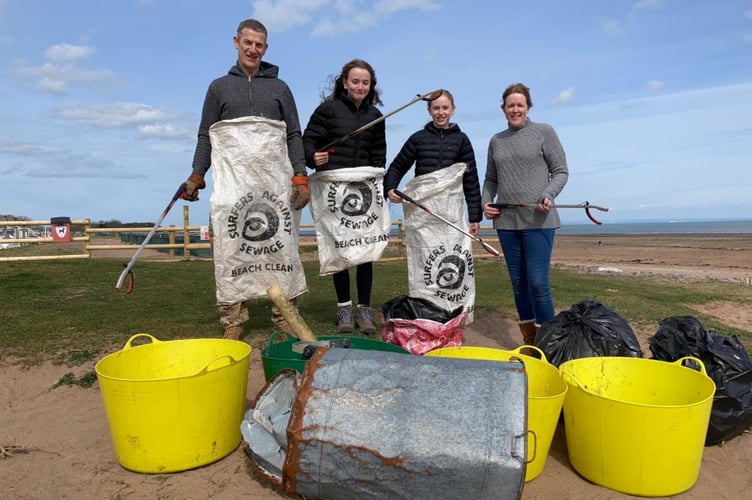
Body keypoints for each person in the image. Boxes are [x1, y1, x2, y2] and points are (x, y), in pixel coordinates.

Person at [181, 19, 310, 340]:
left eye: (260, 45)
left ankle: (285, 316)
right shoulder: (218, 88)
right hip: (232, 185)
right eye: (248, 43)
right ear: (236, 42)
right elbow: (206, 134)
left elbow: (294, 134)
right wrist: (198, 173)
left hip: (276, 183)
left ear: (265, 48)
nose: (253, 49)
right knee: (230, 246)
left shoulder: (280, 89)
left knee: (282, 247)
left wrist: (300, 176)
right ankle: (233, 318)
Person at [302, 59, 387, 335]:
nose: (360, 86)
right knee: (340, 250)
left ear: (371, 85)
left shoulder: (376, 115)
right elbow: (308, 141)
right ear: (344, 82)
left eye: (365, 82)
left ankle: (364, 310)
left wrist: (378, 186)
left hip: (364, 192)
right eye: (355, 81)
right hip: (334, 192)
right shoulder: (327, 110)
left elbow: (379, 157)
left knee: (364, 250)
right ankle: (344, 309)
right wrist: (313, 157)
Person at [481, 82, 569, 346]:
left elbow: (561, 171)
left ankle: (549, 343)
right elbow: (490, 179)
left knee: (538, 283)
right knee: (519, 284)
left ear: (528, 107)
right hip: (506, 222)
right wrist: (486, 202)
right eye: (510, 105)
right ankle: (530, 342)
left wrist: (549, 195)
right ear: (504, 109)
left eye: (520, 105)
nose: (515, 109)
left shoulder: (544, 132)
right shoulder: (496, 140)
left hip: (539, 220)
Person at [384, 89, 482, 320]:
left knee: (451, 258)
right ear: (429, 111)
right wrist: (390, 188)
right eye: (436, 108)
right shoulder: (418, 139)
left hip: (451, 213)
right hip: (423, 215)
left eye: (445, 108)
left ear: (453, 110)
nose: (441, 112)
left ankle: (454, 311)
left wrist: (475, 216)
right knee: (426, 259)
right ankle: (426, 308)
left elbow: (471, 179)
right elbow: (397, 166)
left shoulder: (462, 140)